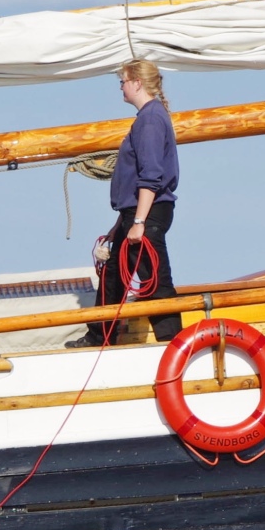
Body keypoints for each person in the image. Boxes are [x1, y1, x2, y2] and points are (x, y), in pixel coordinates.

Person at [76, 58, 182, 346]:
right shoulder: (150, 117)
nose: (121, 87)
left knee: (155, 279)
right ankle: (100, 335)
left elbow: (150, 175)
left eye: (122, 81)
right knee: (112, 274)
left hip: (146, 213)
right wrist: (120, 224)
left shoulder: (149, 119)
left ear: (137, 82)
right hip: (135, 212)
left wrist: (137, 222)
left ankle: (174, 344)